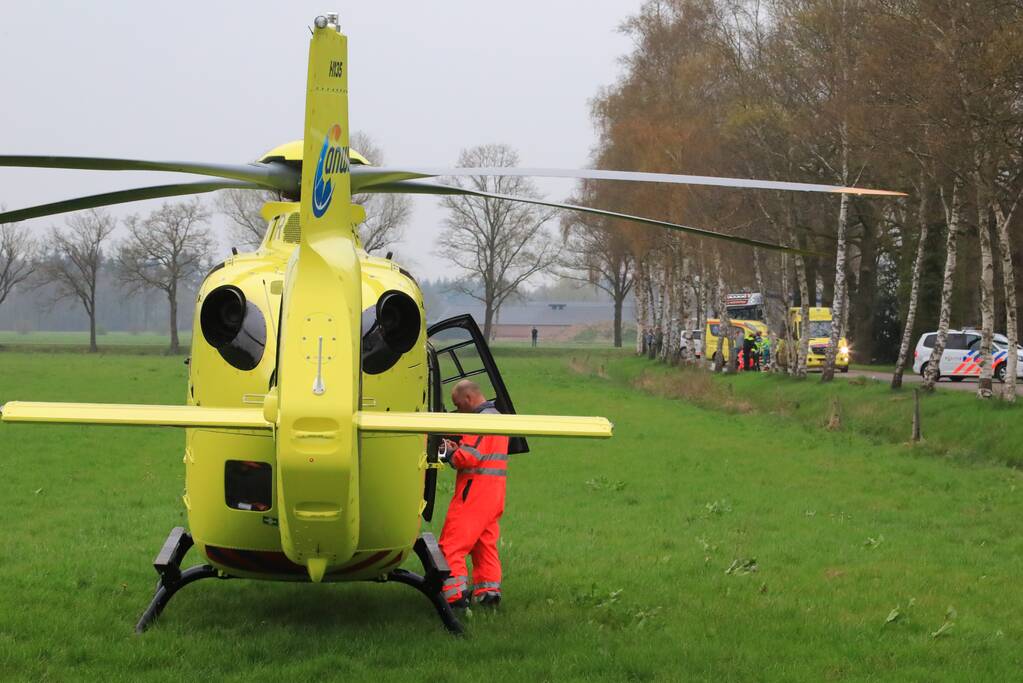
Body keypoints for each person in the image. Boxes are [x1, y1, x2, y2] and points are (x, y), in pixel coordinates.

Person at [437, 380, 509, 609]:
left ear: (468, 399)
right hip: (494, 494)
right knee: (484, 544)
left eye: (458, 405)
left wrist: (449, 452)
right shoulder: (497, 417)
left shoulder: (479, 422)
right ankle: (489, 593)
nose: (458, 411)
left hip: (474, 494)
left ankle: (455, 596)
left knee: (451, 544)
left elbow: (468, 457)